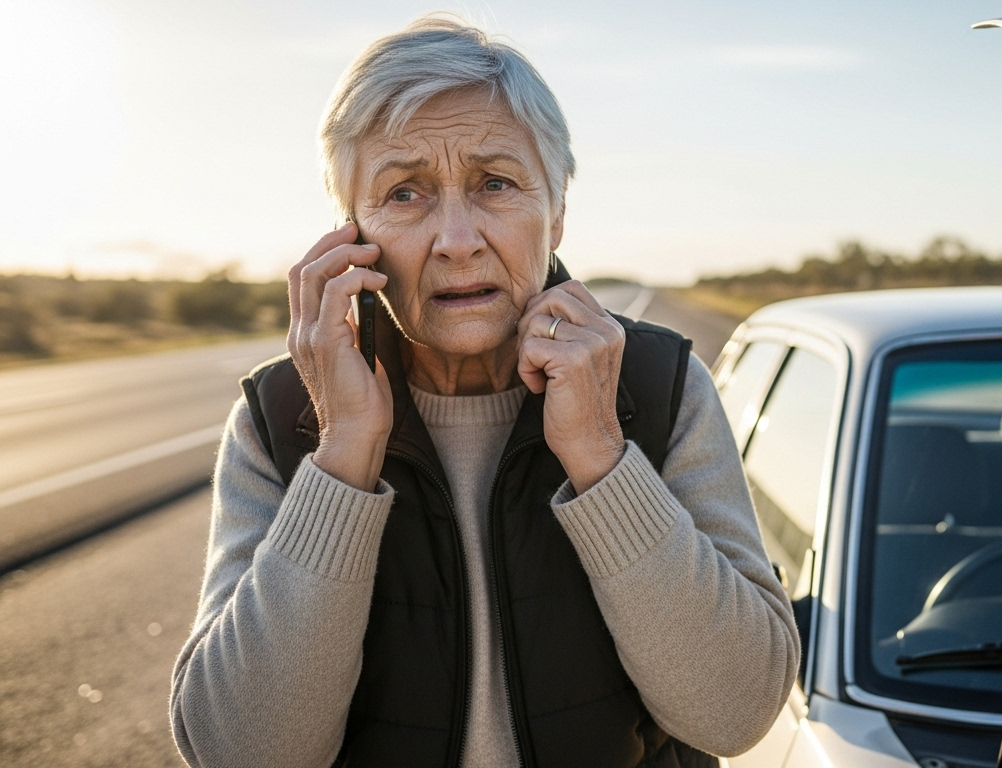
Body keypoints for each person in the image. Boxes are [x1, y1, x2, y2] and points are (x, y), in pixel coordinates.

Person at [169, 16, 799, 768]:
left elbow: (736, 713)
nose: (457, 238)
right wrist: (342, 453)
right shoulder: (282, 418)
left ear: (556, 210)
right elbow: (239, 752)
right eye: (405, 193)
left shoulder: (658, 387)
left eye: (496, 183)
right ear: (351, 233)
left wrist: (600, 452)